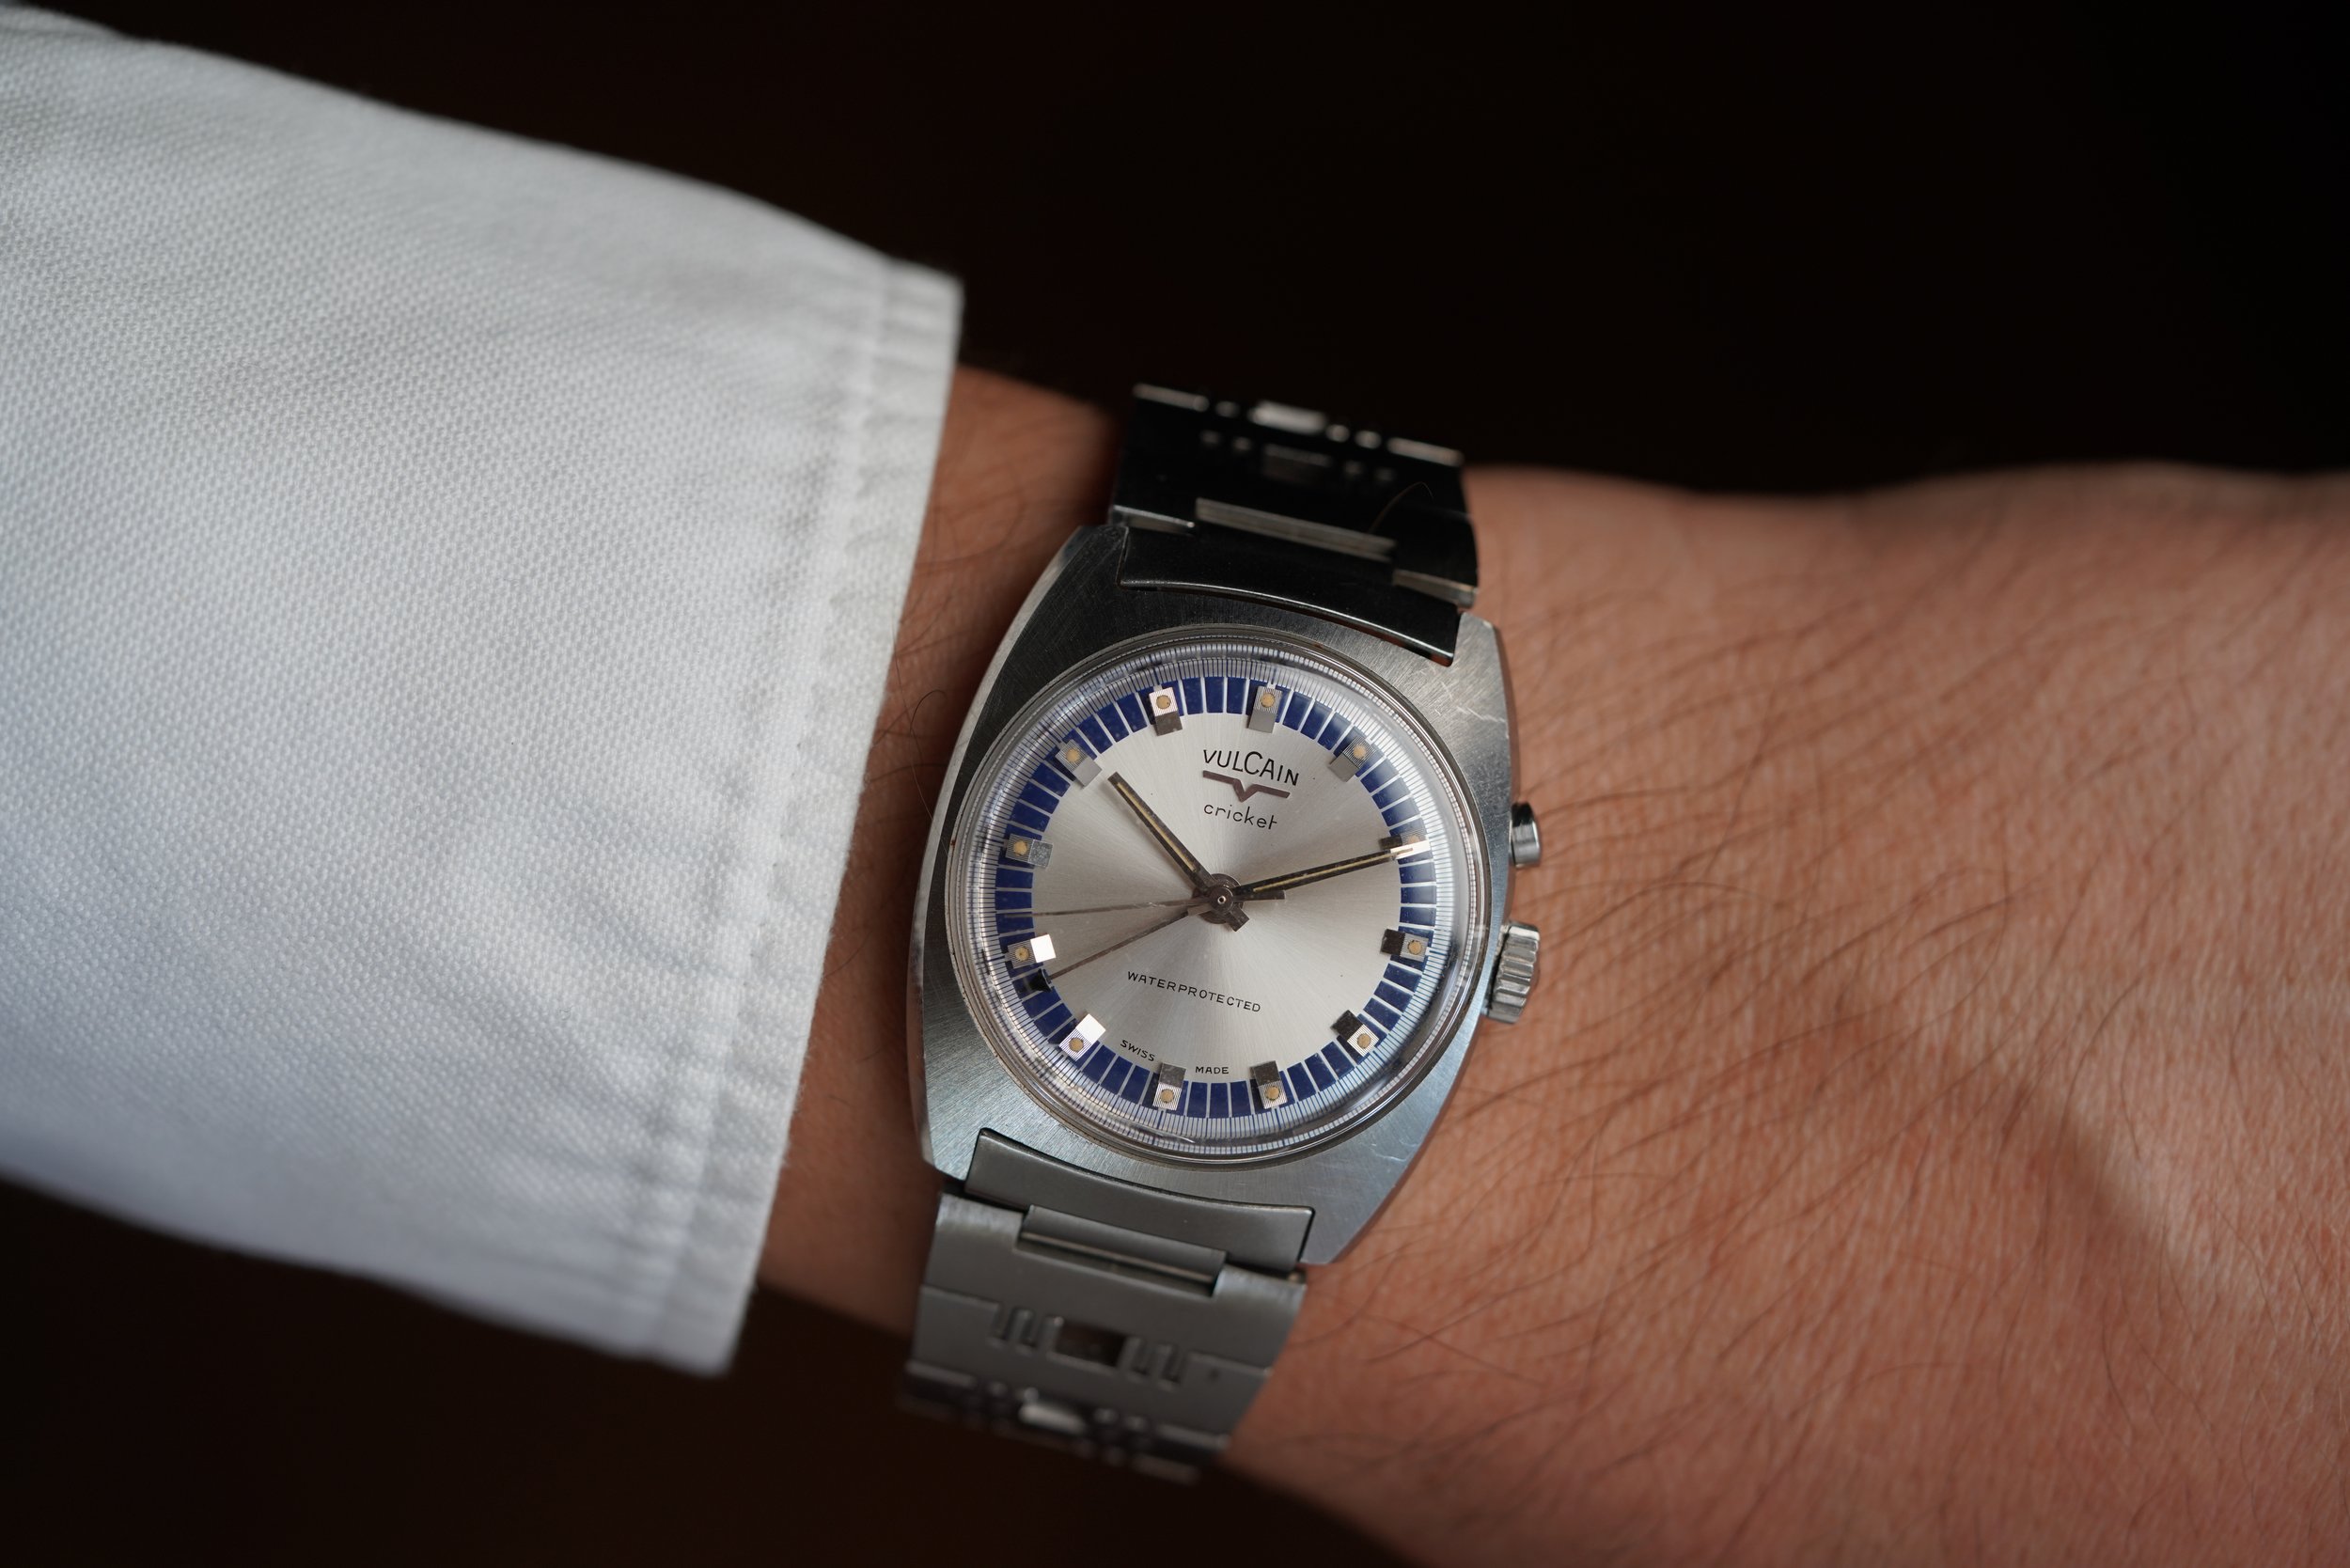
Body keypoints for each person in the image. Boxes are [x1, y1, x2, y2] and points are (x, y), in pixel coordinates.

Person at [4, 9, 2344, 1564]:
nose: (1241, 898)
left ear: (1491, 944)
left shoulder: (1364, 941)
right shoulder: (1293, 838)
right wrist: (1614, 1193)